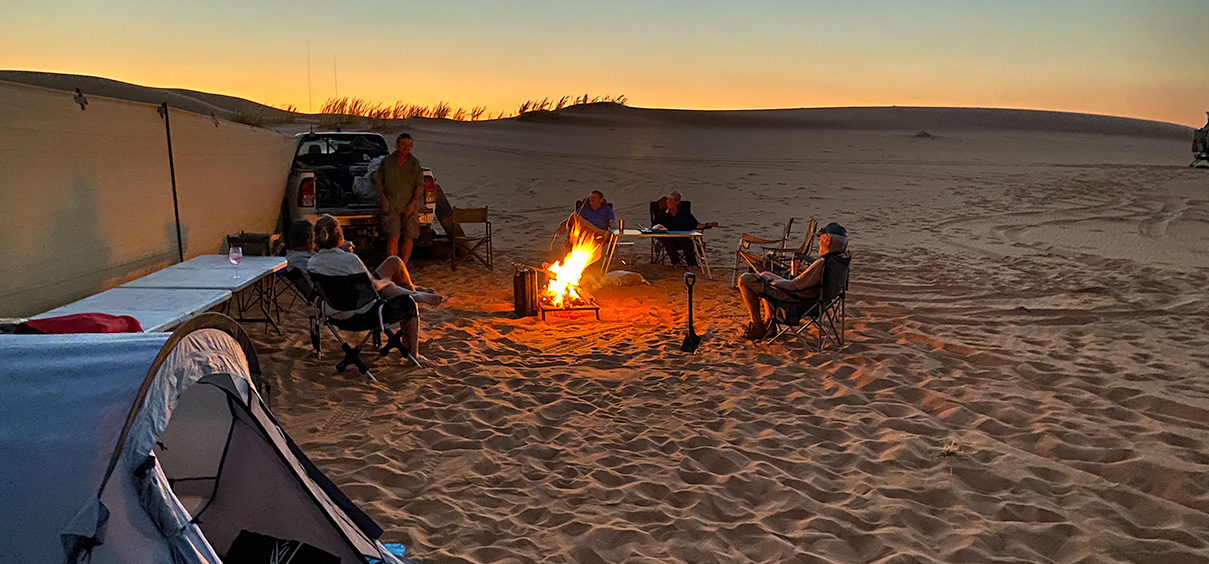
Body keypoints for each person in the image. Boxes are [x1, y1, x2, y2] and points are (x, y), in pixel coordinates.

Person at [737, 222, 849, 341]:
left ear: (828, 241)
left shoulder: (822, 263)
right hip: (818, 302)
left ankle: (757, 326)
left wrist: (770, 278)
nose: (818, 243)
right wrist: (805, 273)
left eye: (821, 239)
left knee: (745, 279)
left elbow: (793, 286)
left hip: (797, 302)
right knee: (766, 278)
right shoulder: (839, 263)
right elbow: (814, 280)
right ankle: (769, 324)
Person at [373, 133, 425, 264]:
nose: (406, 148)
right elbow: (378, 181)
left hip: (409, 203)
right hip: (392, 203)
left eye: (409, 145)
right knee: (393, 234)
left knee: (409, 235)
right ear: (397, 145)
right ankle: (392, 266)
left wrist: (413, 203)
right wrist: (383, 198)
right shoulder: (387, 162)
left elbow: (419, 185)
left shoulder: (414, 163)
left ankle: (403, 267)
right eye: (403, 145)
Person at [653, 190, 718, 267]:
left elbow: (696, 225)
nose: (667, 201)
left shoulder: (685, 213)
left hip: (684, 238)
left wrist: (708, 224)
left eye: (671, 200)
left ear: (677, 203)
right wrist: (658, 228)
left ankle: (692, 265)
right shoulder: (661, 214)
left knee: (686, 240)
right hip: (669, 238)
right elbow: (654, 227)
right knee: (668, 240)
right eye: (667, 200)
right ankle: (676, 263)